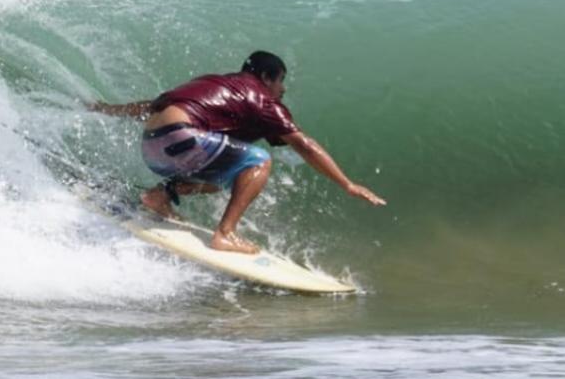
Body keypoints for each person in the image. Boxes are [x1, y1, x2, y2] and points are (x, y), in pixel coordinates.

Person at [88, 51, 385, 253]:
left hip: (153, 146)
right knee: (258, 161)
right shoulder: (262, 99)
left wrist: (104, 109)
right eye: (281, 81)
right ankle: (225, 234)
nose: (282, 90)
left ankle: (160, 196)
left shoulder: (211, 83)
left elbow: (149, 106)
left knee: (228, 175)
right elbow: (304, 145)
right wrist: (347, 183)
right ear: (267, 78)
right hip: (182, 139)